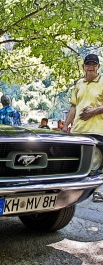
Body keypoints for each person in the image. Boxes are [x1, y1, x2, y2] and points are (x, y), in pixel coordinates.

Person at [62, 53, 103, 202]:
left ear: (98, 66)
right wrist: (66, 126)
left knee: (96, 164)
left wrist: (94, 111)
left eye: (94, 64)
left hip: (97, 130)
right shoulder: (79, 84)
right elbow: (73, 106)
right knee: (75, 160)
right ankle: (71, 190)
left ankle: (97, 191)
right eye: (88, 64)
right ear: (83, 67)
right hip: (78, 130)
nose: (91, 67)